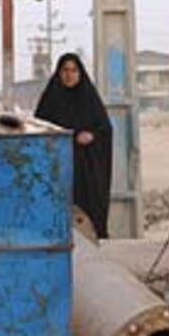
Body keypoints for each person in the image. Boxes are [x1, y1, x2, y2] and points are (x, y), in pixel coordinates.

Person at [35, 53, 113, 239]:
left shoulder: (89, 98)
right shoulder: (50, 100)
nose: (69, 75)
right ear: (59, 73)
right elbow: (38, 129)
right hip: (58, 168)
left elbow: (105, 129)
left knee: (87, 212)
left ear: (80, 73)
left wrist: (91, 136)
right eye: (65, 70)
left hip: (85, 167)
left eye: (74, 70)